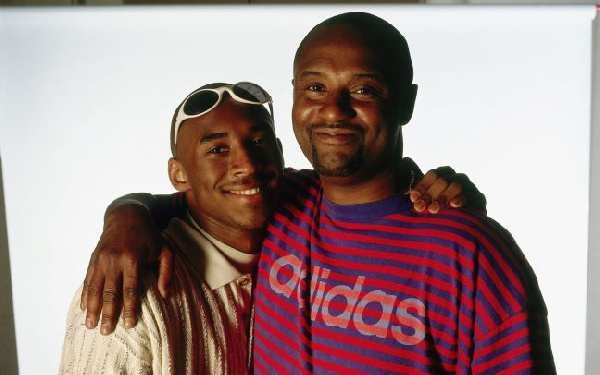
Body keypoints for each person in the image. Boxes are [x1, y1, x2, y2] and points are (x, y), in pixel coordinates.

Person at [80, 12, 555, 373]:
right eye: (315, 87)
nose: (334, 110)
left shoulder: (470, 252)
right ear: (294, 97)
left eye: (364, 90)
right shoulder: (280, 202)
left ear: (406, 103)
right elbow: (200, 196)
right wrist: (125, 216)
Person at [60, 82, 285, 374]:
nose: (247, 165)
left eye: (258, 142)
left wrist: (128, 209)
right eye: (218, 149)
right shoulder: (129, 290)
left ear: (280, 153)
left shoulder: (296, 241)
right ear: (179, 175)